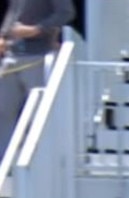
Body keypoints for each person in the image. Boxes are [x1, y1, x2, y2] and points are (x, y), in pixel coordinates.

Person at [0, 0, 75, 152]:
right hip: (11, 54)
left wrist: (36, 29)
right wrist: (2, 35)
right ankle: (4, 162)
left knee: (37, 114)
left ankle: (38, 160)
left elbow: (66, 12)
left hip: (38, 55)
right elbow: (13, 12)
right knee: (3, 111)